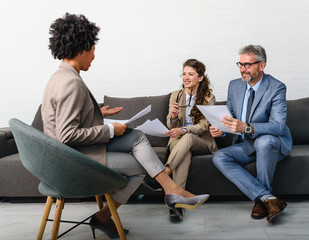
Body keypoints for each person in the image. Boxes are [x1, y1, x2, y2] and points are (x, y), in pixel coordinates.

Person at [42, 13, 209, 238]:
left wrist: (95, 113)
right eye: (92, 49)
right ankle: (108, 215)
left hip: (69, 155)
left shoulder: (58, 77)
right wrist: (112, 129)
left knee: (137, 137)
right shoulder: (71, 83)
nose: (93, 56)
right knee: (142, 165)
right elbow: (67, 134)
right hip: (75, 161)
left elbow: (62, 118)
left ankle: (171, 190)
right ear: (81, 49)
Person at [210, 45, 292, 223]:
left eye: (248, 65)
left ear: (261, 66)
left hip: (272, 143)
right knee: (219, 157)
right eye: (240, 64)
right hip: (244, 144)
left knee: (264, 142)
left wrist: (247, 127)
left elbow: (278, 126)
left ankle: (261, 200)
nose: (242, 69)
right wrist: (220, 130)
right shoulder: (234, 86)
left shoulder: (277, 87)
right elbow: (230, 119)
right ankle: (267, 199)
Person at [145, 59, 217, 222]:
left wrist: (183, 129)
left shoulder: (208, 98)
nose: (186, 77)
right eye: (184, 74)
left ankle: (164, 173)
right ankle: (175, 205)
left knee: (189, 137)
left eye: (190, 74)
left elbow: (204, 126)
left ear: (200, 78)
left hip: (201, 141)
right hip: (179, 142)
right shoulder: (176, 95)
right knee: (184, 155)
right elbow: (170, 124)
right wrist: (174, 117)